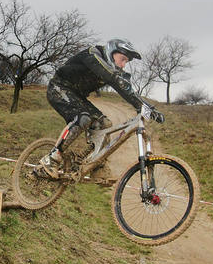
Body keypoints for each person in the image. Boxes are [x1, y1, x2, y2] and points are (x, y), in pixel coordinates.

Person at [40, 38, 164, 180]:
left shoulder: (112, 70)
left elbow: (126, 88)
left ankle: (95, 165)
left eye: (126, 62)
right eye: (122, 59)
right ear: (111, 52)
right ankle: (52, 158)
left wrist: (148, 108)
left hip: (77, 96)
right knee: (83, 118)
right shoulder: (93, 55)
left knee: (104, 124)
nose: (123, 65)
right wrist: (138, 104)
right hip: (58, 88)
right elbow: (114, 79)